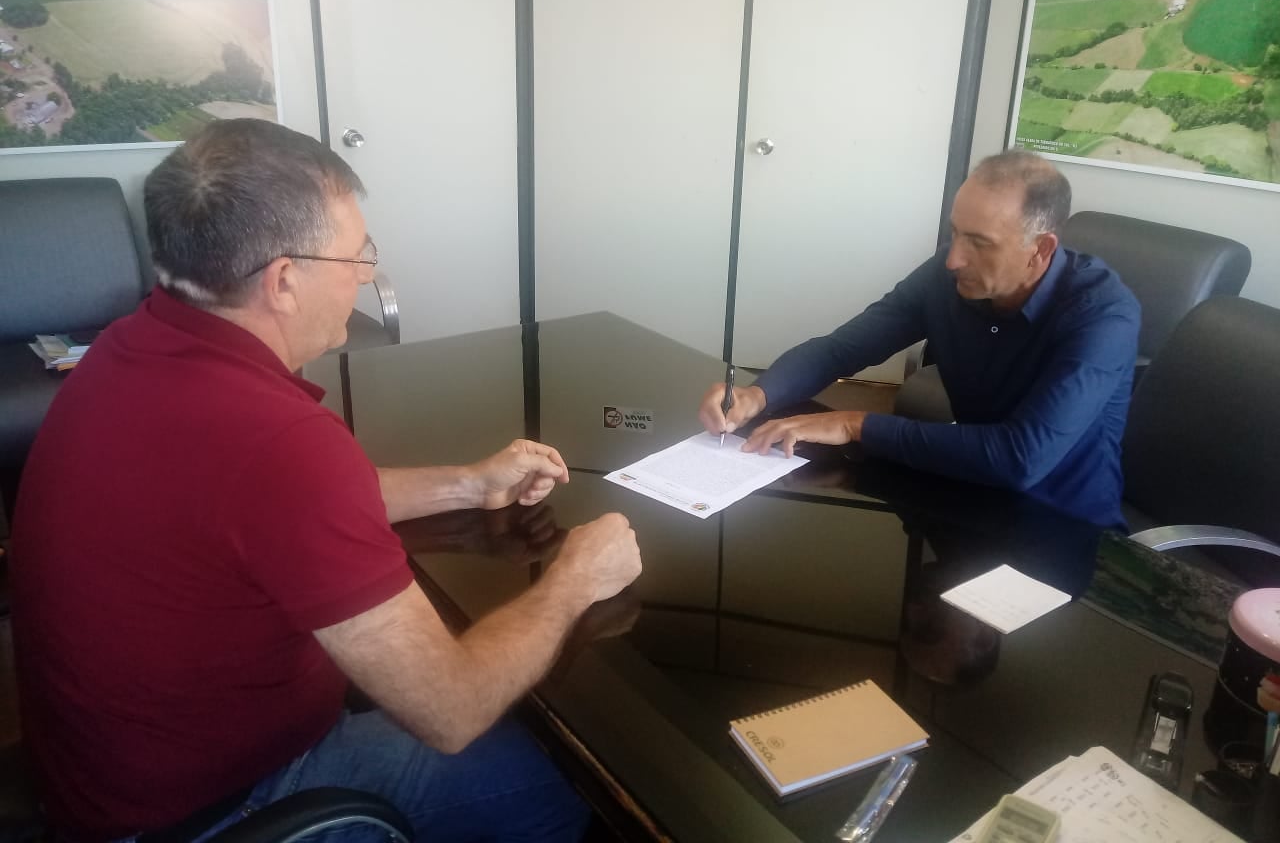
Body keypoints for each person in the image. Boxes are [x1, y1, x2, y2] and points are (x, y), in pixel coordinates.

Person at [11, 119, 642, 843]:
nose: (365, 276)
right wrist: (574, 580)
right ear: (283, 281)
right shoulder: (281, 444)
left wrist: (470, 483)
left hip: (100, 781)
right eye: (356, 256)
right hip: (216, 811)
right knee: (566, 783)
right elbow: (453, 708)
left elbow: (267, 515)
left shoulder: (128, 346)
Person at [699, 149, 1140, 528]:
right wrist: (759, 394)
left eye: (979, 243)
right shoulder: (948, 277)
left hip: (1063, 524)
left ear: (1040, 250)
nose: (953, 259)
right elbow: (842, 348)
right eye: (955, 232)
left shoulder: (1103, 315)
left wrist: (855, 424)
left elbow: (1020, 457)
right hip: (968, 492)